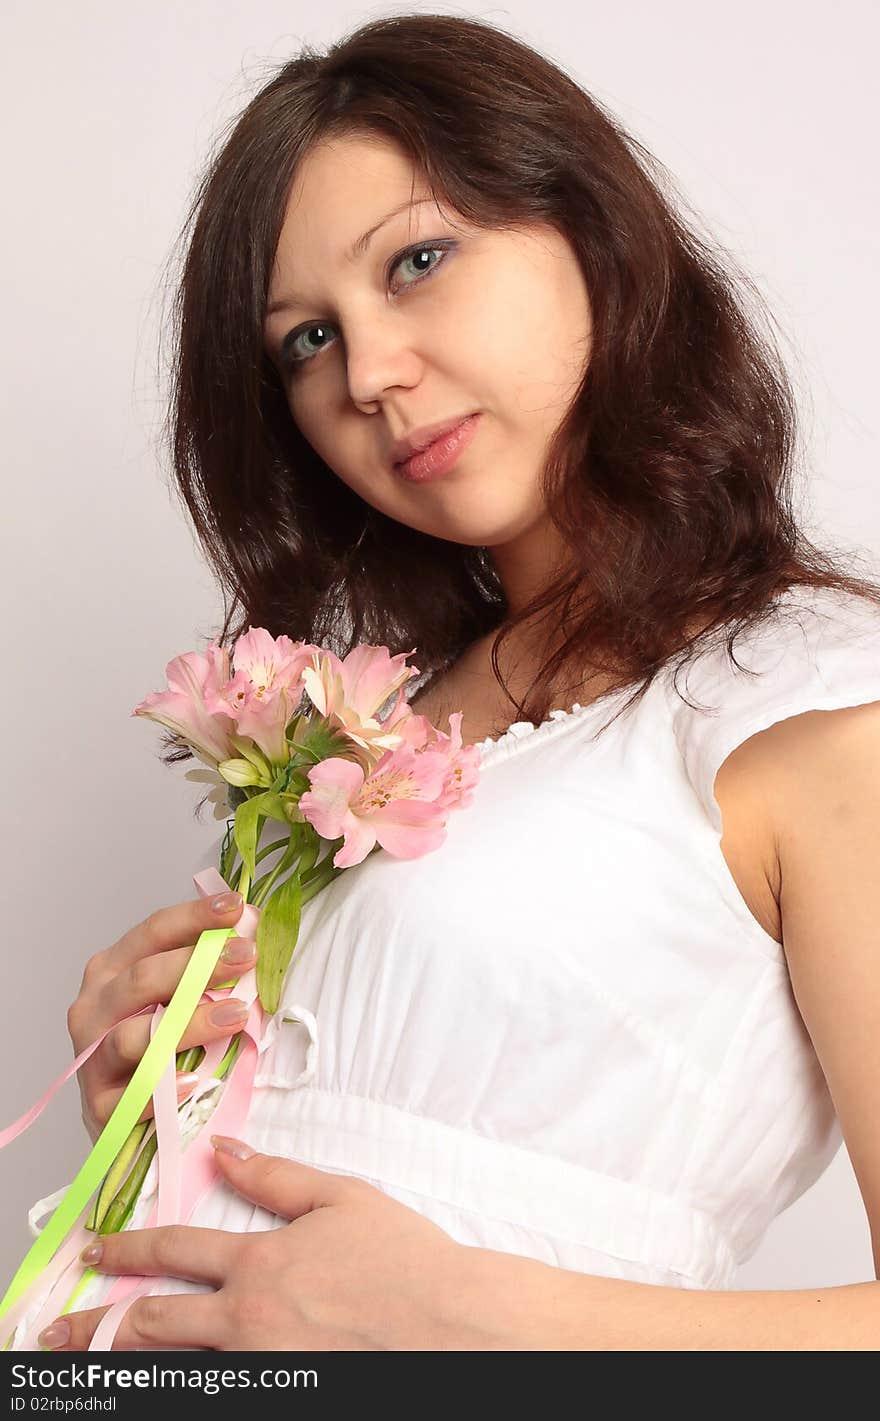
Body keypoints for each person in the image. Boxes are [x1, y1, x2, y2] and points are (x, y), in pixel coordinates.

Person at [19, 12, 880, 1350]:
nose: (368, 374)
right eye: (305, 341)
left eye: (417, 261)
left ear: (591, 228)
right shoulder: (384, 726)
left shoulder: (805, 704)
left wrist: (455, 1309)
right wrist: (162, 1096)